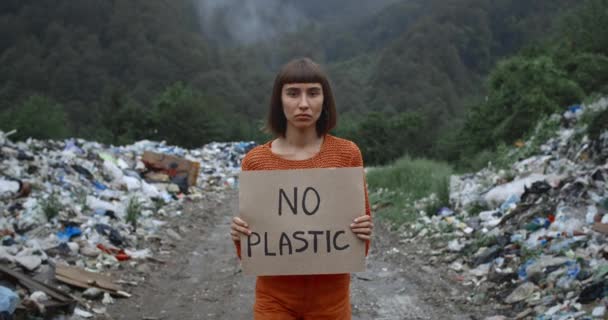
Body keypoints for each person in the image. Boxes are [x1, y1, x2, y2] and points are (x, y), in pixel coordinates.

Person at [230, 57, 372, 319]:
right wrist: (240, 234)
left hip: (333, 301)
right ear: (279, 100)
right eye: (293, 93)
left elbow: (360, 245)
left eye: (313, 93)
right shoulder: (255, 161)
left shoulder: (347, 154)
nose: (303, 103)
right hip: (274, 299)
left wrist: (363, 230)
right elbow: (252, 252)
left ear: (325, 100)